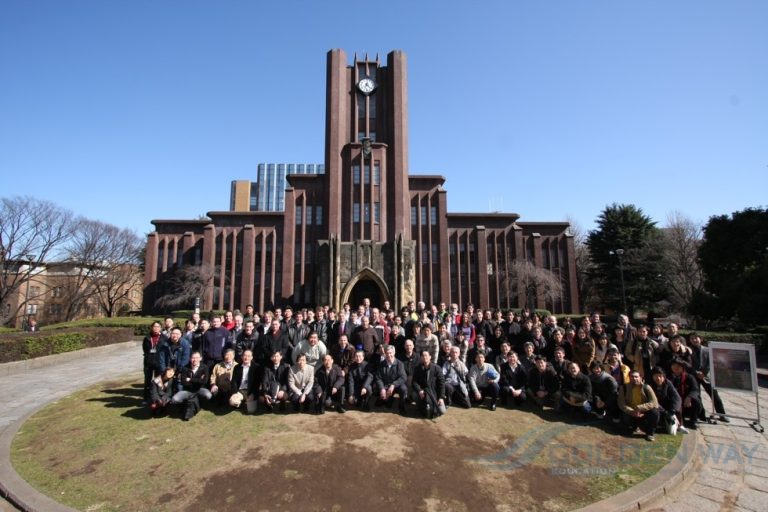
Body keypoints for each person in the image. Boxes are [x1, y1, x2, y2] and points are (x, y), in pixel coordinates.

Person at [688, 333, 729, 422]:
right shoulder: (688, 350)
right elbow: (688, 364)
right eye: (692, 338)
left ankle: (721, 414)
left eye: (696, 338)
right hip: (694, 376)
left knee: (714, 395)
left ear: (700, 339)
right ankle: (700, 414)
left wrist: (703, 372)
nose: (694, 340)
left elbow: (710, 363)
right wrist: (695, 372)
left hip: (706, 376)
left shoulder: (707, 350)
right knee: (697, 395)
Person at [618, 370, 660, 441]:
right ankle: (632, 427)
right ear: (629, 378)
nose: (634, 379)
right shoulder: (624, 388)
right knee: (623, 414)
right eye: (632, 377)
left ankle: (650, 433)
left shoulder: (646, 387)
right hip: (631, 413)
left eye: (636, 377)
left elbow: (654, 402)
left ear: (640, 377)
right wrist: (631, 411)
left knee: (655, 412)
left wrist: (640, 408)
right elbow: (621, 403)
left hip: (644, 413)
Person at [172, 351, 212, 420]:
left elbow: (204, 382)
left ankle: (198, 403)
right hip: (188, 390)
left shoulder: (205, 367)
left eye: (197, 358)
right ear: (190, 359)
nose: (195, 360)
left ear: (200, 358)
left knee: (208, 395)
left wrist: (190, 379)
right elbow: (183, 382)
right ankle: (189, 403)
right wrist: (199, 380)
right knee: (174, 399)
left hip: (200, 389)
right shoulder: (185, 368)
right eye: (193, 358)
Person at [374, 345, 409, 415]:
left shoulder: (399, 364)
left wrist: (394, 385)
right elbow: (378, 378)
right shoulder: (381, 364)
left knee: (404, 389)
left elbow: (403, 377)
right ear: (385, 354)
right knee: (377, 403)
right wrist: (382, 388)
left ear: (394, 353)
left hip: (396, 386)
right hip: (386, 385)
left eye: (390, 353)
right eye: (387, 353)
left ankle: (401, 406)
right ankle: (388, 398)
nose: (389, 355)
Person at [669, 357, 703, 430]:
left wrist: (689, 397)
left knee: (696, 401)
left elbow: (695, 390)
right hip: (674, 403)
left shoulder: (689, 377)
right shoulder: (668, 378)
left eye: (678, 366)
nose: (676, 368)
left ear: (682, 367)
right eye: (674, 366)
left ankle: (692, 421)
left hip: (686, 403)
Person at [412, 350, 447, 419]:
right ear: (421, 358)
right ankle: (420, 406)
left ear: (430, 357)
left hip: (434, 392)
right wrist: (419, 390)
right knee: (414, 395)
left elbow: (442, 383)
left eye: (426, 355)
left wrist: (441, 397)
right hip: (423, 392)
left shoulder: (437, 368)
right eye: (423, 356)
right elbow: (414, 382)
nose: (424, 357)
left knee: (442, 411)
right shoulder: (417, 369)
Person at [650, 366, 683, 435]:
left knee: (677, 405)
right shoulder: (649, 385)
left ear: (664, 377)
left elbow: (676, 397)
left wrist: (673, 410)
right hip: (656, 407)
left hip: (667, 406)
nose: (658, 378)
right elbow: (652, 401)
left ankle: (680, 425)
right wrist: (665, 412)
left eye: (660, 376)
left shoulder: (668, 383)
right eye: (656, 376)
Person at [142, 321, 166, 404]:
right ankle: (146, 398)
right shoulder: (147, 338)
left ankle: (156, 398)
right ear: (151, 327)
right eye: (154, 326)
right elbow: (145, 349)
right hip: (148, 362)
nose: (156, 328)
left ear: (161, 328)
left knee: (158, 381)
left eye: (158, 326)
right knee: (147, 381)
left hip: (159, 362)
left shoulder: (164, 337)